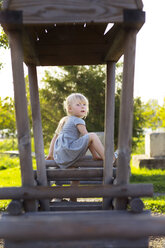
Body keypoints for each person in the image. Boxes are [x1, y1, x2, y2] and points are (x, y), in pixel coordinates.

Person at [46, 93, 105, 168]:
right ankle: (107, 158)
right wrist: (95, 155)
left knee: (74, 173)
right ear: (70, 108)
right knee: (92, 136)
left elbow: (55, 138)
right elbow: (87, 137)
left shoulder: (64, 120)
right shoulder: (78, 120)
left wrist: (50, 155)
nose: (82, 107)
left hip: (61, 155)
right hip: (70, 151)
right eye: (78, 105)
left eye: (84, 104)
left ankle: (74, 179)